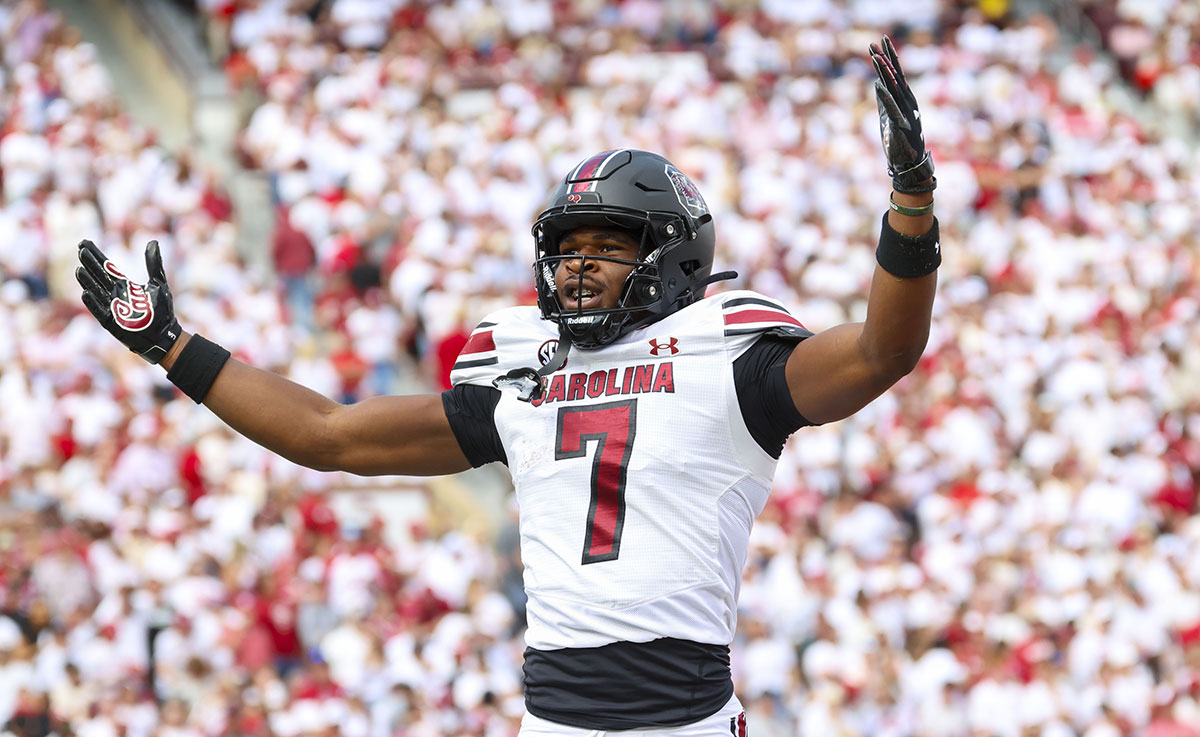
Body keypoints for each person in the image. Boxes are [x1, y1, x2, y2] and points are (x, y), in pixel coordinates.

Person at [76, 38, 940, 737]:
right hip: (551, 720)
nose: (578, 266)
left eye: (607, 246)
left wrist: (909, 204)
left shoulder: (732, 354)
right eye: (569, 248)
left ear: (673, 253)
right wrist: (173, 347)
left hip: (688, 722)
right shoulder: (523, 368)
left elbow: (878, 355)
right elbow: (329, 435)